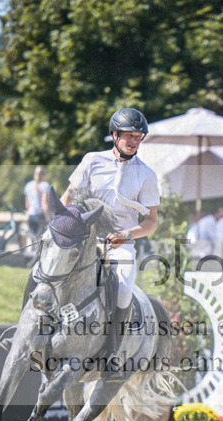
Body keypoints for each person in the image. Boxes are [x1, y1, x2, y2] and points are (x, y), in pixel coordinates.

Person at [62, 107, 159, 377]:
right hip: (84, 240)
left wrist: (127, 235)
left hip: (120, 245)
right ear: (114, 135)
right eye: (128, 135)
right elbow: (68, 198)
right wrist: (63, 229)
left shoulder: (146, 174)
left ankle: (112, 350)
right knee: (48, 271)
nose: (133, 141)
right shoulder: (92, 161)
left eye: (138, 137)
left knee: (125, 288)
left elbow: (151, 222)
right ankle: (28, 331)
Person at [24, 166, 52, 239]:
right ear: (43, 175)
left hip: (31, 216)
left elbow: (27, 205)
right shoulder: (44, 185)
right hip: (40, 216)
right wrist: (48, 218)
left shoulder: (28, 185)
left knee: (33, 239)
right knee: (42, 239)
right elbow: (44, 204)